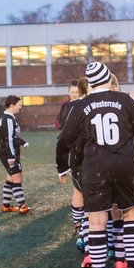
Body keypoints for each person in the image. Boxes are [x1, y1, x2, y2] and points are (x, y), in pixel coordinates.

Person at [58, 61, 134, 268]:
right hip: (124, 163)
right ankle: (132, 265)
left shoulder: (82, 104)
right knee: (130, 213)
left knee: (96, 222)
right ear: (109, 78)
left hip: (95, 167)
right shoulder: (123, 99)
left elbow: (66, 138)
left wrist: (66, 163)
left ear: (90, 82)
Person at [55, 77, 91, 251]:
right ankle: (83, 230)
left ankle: (83, 230)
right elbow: (62, 131)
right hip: (80, 155)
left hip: (82, 155)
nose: (74, 94)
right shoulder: (73, 106)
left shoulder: (81, 106)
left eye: (77, 91)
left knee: (82, 192)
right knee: (83, 192)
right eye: (72, 92)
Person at [0, 95, 30, 213]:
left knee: (11, 178)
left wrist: (22, 142)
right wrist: (11, 156)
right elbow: (9, 139)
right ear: (12, 105)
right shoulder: (8, 119)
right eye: (19, 104)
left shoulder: (8, 117)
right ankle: (22, 206)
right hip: (9, 154)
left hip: (5, 152)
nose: (20, 107)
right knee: (17, 178)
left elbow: (10, 137)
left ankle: (6, 206)